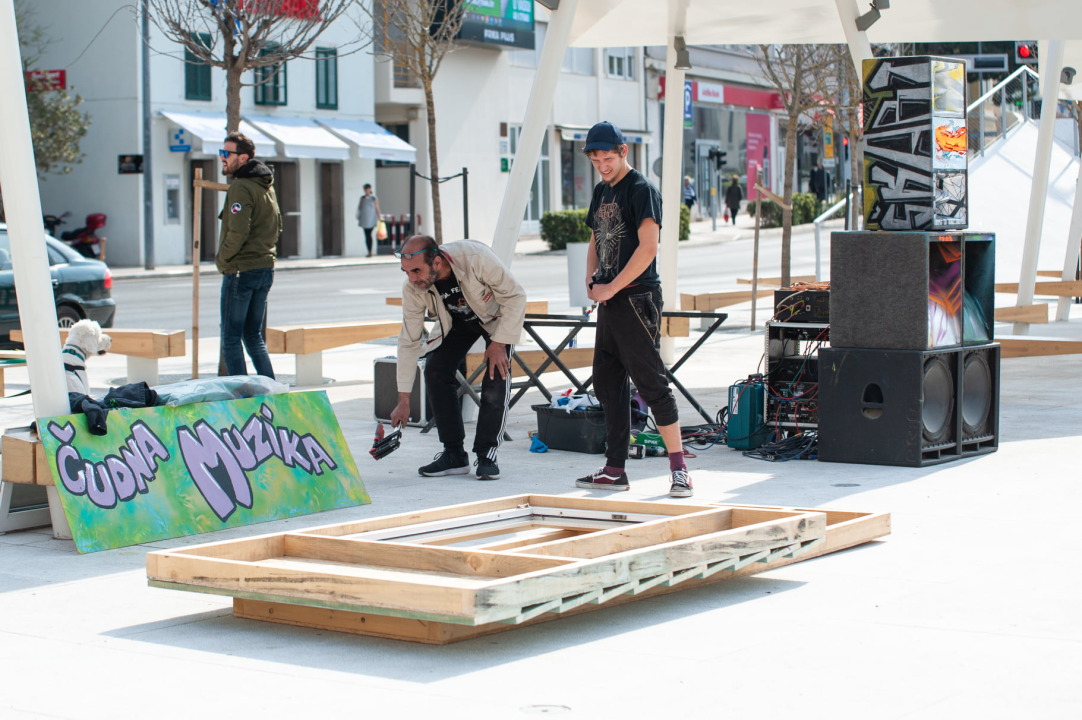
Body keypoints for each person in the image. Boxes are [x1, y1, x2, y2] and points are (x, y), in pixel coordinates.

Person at [574, 121, 692, 498]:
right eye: (596, 160)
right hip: (609, 300)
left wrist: (612, 285)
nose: (602, 166)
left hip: (637, 299)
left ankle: (679, 470)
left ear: (624, 152)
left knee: (652, 383)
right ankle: (614, 469)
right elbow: (595, 237)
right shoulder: (601, 191)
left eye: (608, 158)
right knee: (608, 385)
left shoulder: (642, 189)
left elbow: (648, 248)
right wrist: (592, 280)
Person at [390, 234, 526, 481]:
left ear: (437, 263)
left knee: (497, 373)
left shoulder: (476, 258)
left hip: (496, 321)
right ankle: (454, 454)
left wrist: (498, 344)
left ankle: (487, 454)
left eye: (416, 271)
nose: (411, 278)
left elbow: (515, 297)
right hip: (457, 323)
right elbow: (409, 341)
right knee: (435, 370)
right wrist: (404, 399)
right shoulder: (413, 287)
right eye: (406, 272)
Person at [216, 131, 281, 379]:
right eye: (221, 152)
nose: (222, 158)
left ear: (243, 158)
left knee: (231, 338)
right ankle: (271, 393)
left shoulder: (241, 187)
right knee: (253, 336)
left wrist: (222, 260)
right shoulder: (266, 185)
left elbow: (238, 231)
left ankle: (242, 399)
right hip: (264, 268)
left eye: (226, 153)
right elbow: (278, 225)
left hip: (242, 270)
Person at [356, 184, 381, 257]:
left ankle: (370, 251)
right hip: (364, 219)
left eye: (368, 188)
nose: (367, 190)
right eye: (365, 188)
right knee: (366, 235)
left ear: (370, 189)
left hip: (372, 219)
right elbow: (359, 208)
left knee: (369, 235)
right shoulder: (362, 198)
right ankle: (369, 251)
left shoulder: (374, 198)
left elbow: (377, 208)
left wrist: (379, 217)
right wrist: (362, 201)